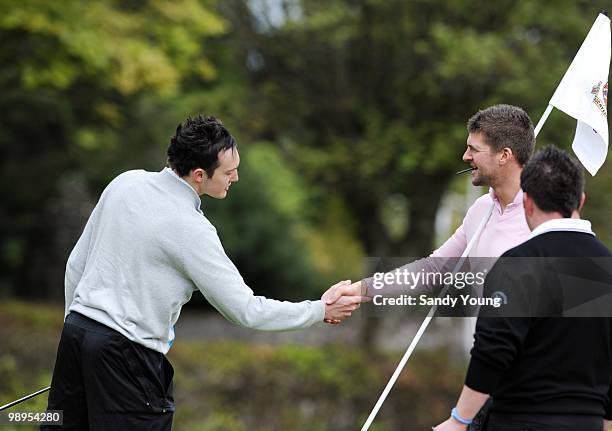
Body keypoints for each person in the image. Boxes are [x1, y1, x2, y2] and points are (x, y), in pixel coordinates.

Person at [42, 115, 365, 430]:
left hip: (76, 335)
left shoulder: (124, 182)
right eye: (229, 172)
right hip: (126, 356)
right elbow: (245, 310)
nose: (235, 178)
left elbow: (76, 266)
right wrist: (320, 310)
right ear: (199, 174)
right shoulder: (193, 230)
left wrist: (80, 345)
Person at [433, 146, 612, 431]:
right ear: (581, 200)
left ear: (527, 202)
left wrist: (459, 419)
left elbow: (493, 349)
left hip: (520, 420)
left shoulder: (517, 264)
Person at [323, 104, 535, 315]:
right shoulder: (481, 210)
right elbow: (432, 270)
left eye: (474, 149)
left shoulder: (548, 212)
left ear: (504, 155)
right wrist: (360, 289)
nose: (465, 156)